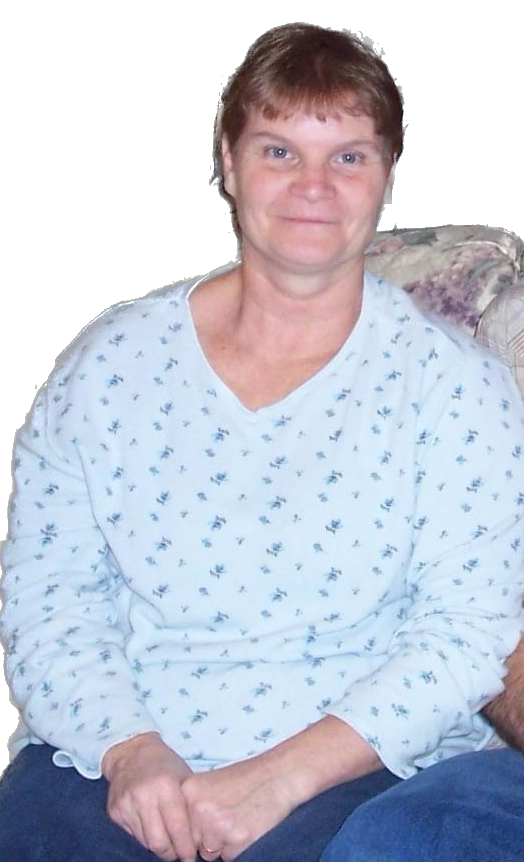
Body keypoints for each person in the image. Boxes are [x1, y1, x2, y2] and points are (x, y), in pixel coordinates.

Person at [0, 21, 523, 862]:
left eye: (348, 156)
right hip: (109, 759)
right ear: (230, 165)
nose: (314, 185)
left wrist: (276, 780)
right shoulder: (106, 365)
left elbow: (465, 635)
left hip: (356, 772)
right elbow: (49, 597)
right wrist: (131, 753)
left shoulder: (455, 387)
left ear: (387, 174)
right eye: (280, 151)